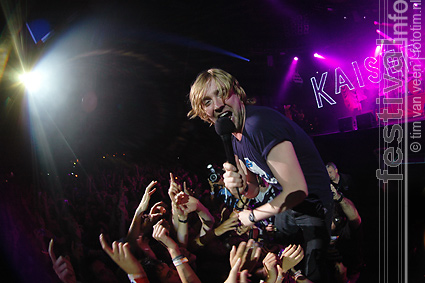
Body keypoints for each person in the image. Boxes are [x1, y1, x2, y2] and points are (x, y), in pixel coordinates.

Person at [187, 68, 333, 282]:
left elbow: (297, 189)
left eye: (222, 93)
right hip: (287, 207)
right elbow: (253, 190)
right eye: (208, 101)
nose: (218, 105)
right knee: (288, 267)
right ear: (203, 113)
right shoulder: (234, 135)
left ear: (237, 92)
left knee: (312, 276)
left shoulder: (258, 125)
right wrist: (238, 185)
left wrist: (252, 216)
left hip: (313, 204)